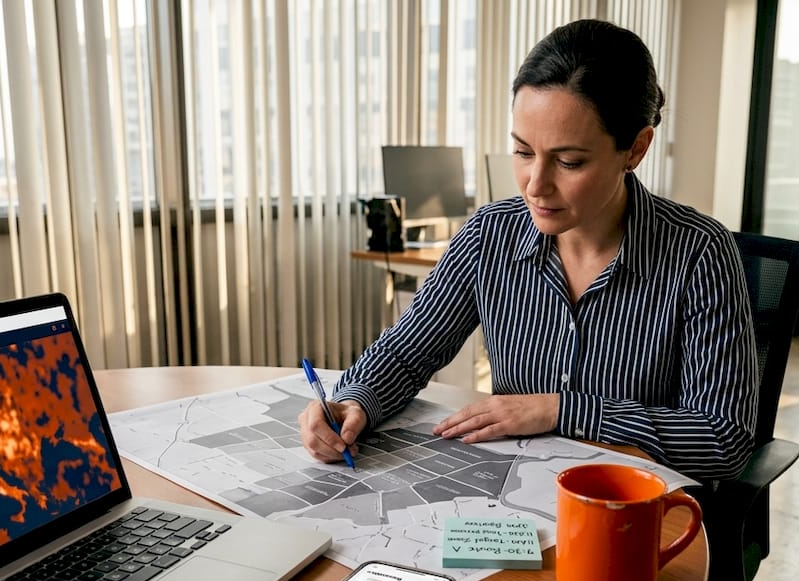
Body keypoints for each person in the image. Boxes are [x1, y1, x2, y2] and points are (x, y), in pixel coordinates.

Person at [301, 19, 757, 481]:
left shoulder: (700, 253)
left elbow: (722, 439)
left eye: (569, 161)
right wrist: (353, 399)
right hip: (515, 496)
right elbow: (407, 351)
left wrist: (561, 411)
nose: (535, 186)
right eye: (522, 152)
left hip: (630, 513)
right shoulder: (490, 234)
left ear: (636, 148)